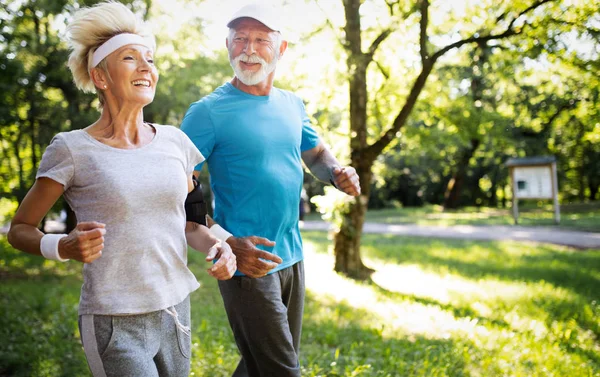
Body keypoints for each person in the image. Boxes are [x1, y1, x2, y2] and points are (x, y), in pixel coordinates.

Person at [6, 2, 236, 377]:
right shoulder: (72, 149)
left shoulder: (177, 143)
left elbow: (193, 224)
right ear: (100, 77)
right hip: (113, 320)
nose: (147, 67)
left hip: (175, 310)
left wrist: (219, 246)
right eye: (131, 58)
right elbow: (20, 230)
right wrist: (62, 246)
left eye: (150, 59)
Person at [180, 3, 361, 376]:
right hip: (246, 262)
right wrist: (225, 242)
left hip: (292, 256)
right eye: (240, 38)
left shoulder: (292, 104)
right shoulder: (207, 112)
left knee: (259, 365)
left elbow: (316, 154)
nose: (249, 49)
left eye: (261, 39)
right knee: (282, 370)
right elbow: (177, 189)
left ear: (281, 49)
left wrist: (336, 173)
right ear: (227, 45)